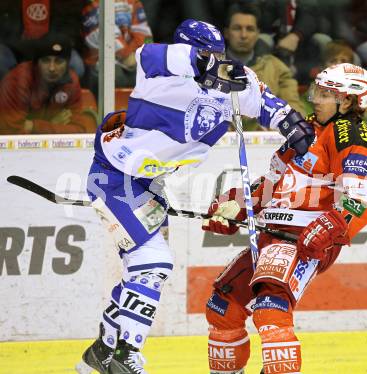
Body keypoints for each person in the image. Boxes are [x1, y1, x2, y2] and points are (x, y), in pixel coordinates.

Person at [76, 19, 314, 374]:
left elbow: (266, 101)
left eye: (218, 54)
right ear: (187, 49)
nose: (215, 60)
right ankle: (124, 359)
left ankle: (103, 351)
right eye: (206, 54)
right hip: (114, 177)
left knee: (140, 272)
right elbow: (151, 55)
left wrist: (289, 121)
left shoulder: (231, 80)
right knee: (154, 262)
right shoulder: (157, 71)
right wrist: (202, 62)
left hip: (151, 184)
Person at [202, 63, 367, 374]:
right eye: (317, 90)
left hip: (301, 239)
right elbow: (274, 183)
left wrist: (333, 223)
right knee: (223, 307)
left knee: (270, 308)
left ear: (348, 101)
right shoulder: (307, 132)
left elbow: (365, 195)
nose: (315, 98)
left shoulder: (351, 132)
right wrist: (236, 205)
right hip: (271, 234)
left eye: (326, 94)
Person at [224, 2, 305, 130]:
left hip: (267, 143)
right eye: (237, 28)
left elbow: (295, 112)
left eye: (250, 29)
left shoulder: (276, 68)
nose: (243, 35)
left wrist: (270, 128)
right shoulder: (209, 66)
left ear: (257, 34)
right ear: (227, 33)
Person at [0, 34, 97, 134]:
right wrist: (52, 124)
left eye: (58, 61)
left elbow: (79, 130)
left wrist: (34, 126)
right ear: (36, 63)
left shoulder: (71, 82)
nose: (52, 68)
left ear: (67, 63)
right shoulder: (18, 80)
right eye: (46, 61)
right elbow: (11, 132)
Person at [302, 40, 367, 129]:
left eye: (343, 61)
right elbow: (305, 119)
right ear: (322, 66)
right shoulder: (313, 92)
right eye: (333, 61)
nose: (338, 64)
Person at [81, 0, 153, 95]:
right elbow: (100, 33)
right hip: (101, 59)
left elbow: (143, 32)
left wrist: (139, 54)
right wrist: (127, 55)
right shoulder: (93, 3)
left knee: (151, 73)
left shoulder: (133, 2)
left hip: (131, 57)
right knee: (117, 77)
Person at [0, 1, 85, 81]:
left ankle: (53, 93)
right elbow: (4, 29)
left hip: (53, 46)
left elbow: (70, 26)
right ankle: (13, 90)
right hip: (15, 48)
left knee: (76, 65)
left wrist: (46, 45)